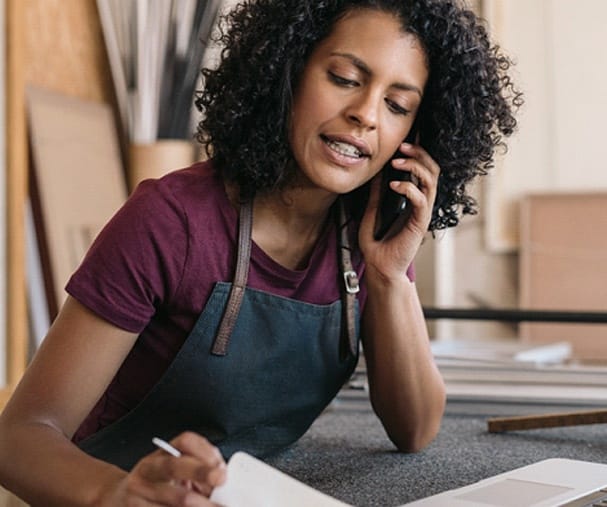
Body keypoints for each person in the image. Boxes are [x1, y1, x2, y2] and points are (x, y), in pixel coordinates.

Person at [0, 0, 522, 505]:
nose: (366, 114)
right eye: (344, 78)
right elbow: (20, 437)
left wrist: (390, 275)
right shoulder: (170, 222)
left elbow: (415, 429)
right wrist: (115, 493)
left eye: (397, 104)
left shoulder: (365, 238)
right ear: (287, 70)